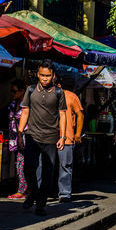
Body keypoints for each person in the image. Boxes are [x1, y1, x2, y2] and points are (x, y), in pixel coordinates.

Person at [17, 60, 67, 216]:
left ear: (53, 76)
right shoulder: (30, 90)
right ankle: (33, 193)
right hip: (32, 135)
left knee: (47, 173)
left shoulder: (59, 92)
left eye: (48, 76)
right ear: (38, 75)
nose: (45, 78)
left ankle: (40, 204)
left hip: (51, 138)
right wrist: (20, 133)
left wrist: (63, 136)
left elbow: (63, 114)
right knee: (28, 168)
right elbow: (25, 111)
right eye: (42, 75)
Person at [55, 77, 84, 202]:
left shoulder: (71, 96)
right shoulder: (49, 95)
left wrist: (77, 133)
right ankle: (42, 192)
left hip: (66, 137)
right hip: (49, 137)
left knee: (65, 166)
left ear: (60, 85)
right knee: (46, 165)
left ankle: (64, 193)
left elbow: (80, 114)